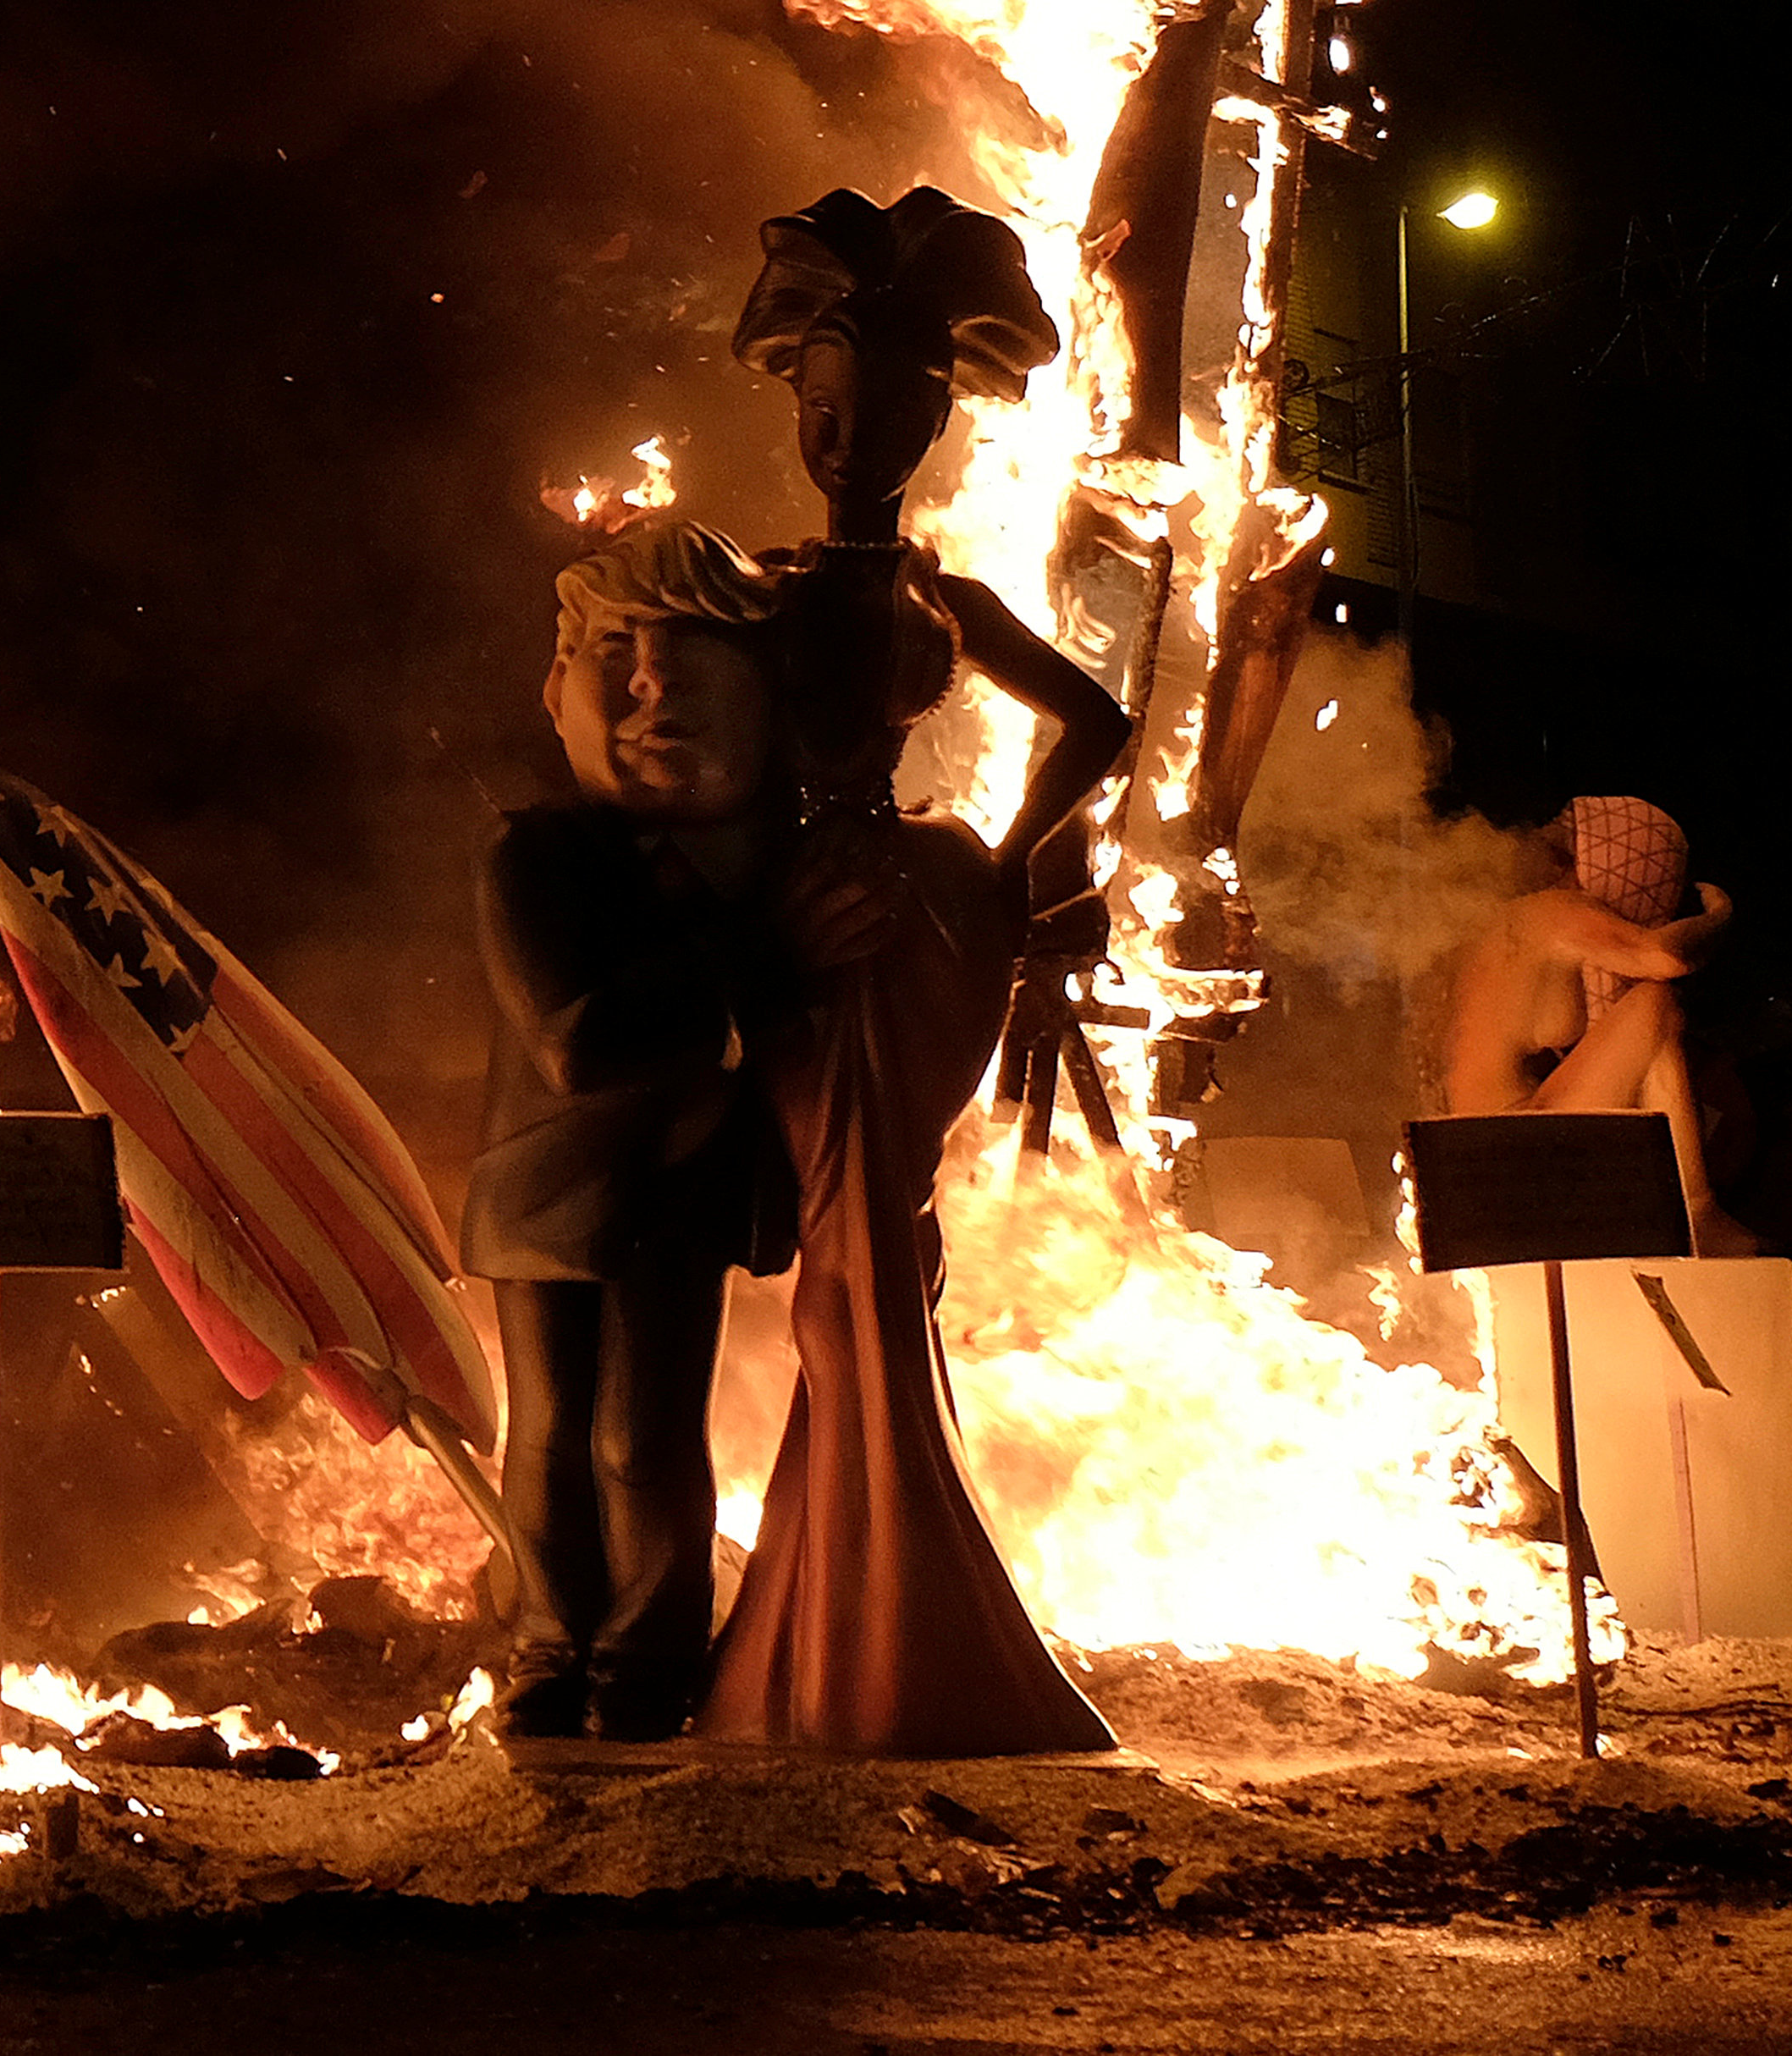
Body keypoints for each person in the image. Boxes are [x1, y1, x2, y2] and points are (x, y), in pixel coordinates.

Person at [692, 188, 1125, 1756]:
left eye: (876, 409)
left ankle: (864, 1622)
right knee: (846, 1246)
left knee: (880, 1237)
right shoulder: (748, 584)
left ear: (932, 422)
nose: (840, 435)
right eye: (820, 405)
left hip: (926, 928)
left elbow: (1100, 723)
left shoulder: (940, 592)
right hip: (810, 933)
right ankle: (856, 1604)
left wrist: (1009, 865)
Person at [461, 521, 802, 1742]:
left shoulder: (766, 863)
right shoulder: (538, 854)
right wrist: (758, 950)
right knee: (550, 1432)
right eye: (620, 660)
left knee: (645, 1435)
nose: (653, 692)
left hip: (681, 1183)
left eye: (691, 663)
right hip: (546, 1184)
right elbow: (578, 1041)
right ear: (560, 690)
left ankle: (651, 1657)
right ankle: (553, 1647)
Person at [1442, 795, 1753, 1255]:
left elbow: (1549, 1031)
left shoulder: (1505, 927)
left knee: (1643, 1019)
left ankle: (1679, 1208)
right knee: (1654, 1000)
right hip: (1505, 1138)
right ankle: (1696, 1208)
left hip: (1477, 1142)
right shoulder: (1550, 912)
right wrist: (1719, 916)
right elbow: (1665, 956)